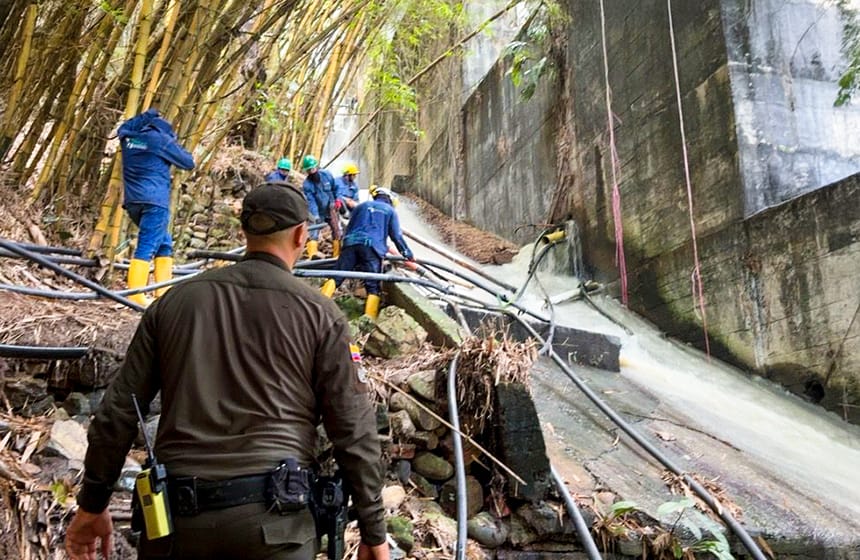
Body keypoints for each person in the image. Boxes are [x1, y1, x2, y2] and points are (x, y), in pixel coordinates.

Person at [65, 183, 390, 560]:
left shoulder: (173, 303)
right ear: (302, 234)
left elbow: (116, 414)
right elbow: (353, 427)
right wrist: (373, 529)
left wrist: (92, 504)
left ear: (245, 232)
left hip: (178, 526)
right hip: (276, 527)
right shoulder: (321, 314)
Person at [119, 108, 195, 307]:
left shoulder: (129, 139)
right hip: (155, 202)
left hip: (133, 202)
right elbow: (188, 162)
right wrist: (173, 144)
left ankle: (163, 293)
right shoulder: (161, 141)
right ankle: (136, 294)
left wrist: (147, 115)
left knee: (164, 244)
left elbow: (124, 127)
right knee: (147, 245)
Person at [320, 186, 414, 320]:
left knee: (336, 277)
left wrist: (344, 249)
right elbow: (396, 236)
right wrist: (407, 253)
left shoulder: (361, 206)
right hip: (372, 247)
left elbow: (349, 227)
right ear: (390, 200)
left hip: (351, 243)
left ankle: (316, 308)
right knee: (373, 285)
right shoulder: (390, 211)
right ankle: (368, 322)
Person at [300, 154, 339, 259]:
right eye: (309, 170)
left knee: (336, 230)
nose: (312, 172)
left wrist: (337, 200)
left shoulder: (327, 175)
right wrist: (316, 216)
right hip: (318, 210)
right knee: (313, 230)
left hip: (330, 207)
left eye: (313, 169)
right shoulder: (307, 185)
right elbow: (311, 202)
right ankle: (312, 255)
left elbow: (335, 188)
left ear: (316, 167)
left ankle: (337, 255)